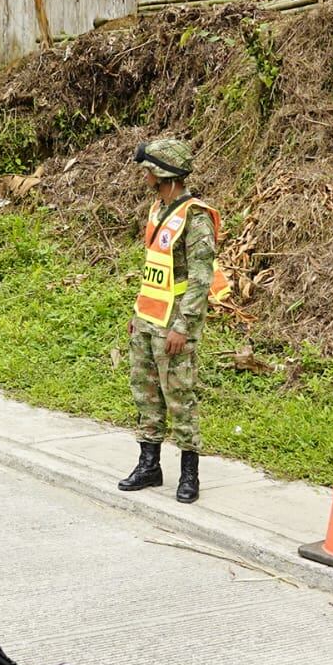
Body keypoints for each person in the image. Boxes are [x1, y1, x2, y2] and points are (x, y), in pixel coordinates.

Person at [121, 138, 228, 504]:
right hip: (148, 318)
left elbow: (201, 277)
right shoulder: (157, 209)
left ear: (163, 174)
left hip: (175, 322)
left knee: (179, 396)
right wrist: (138, 314)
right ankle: (149, 465)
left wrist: (183, 326)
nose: (145, 176)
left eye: (149, 170)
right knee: (145, 393)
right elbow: (154, 269)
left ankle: (189, 473)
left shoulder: (196, 216)